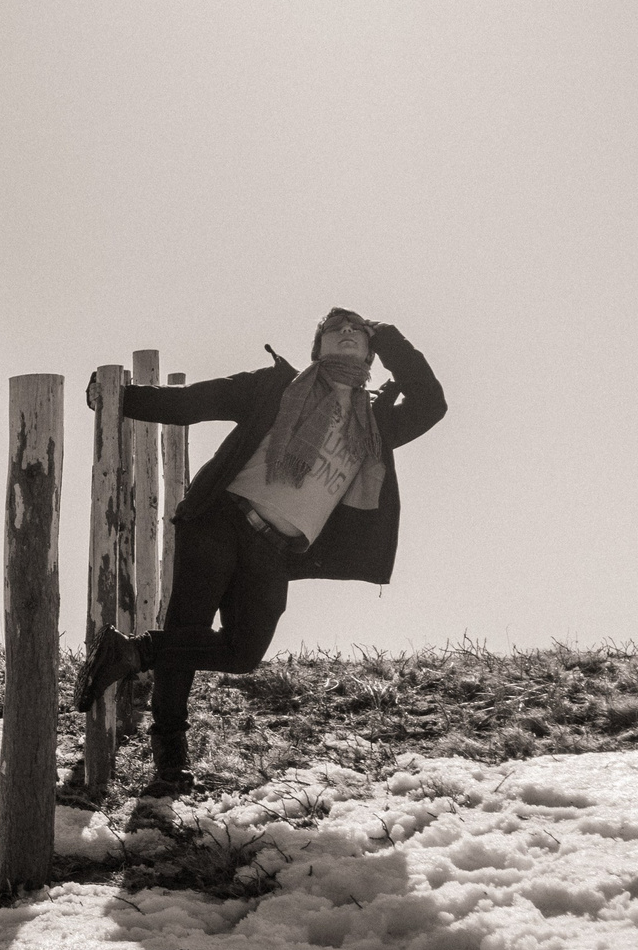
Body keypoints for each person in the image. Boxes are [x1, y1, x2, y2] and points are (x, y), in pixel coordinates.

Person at [76, 308, 448, 799]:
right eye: (337, 328)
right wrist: (116, 398)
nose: (348, 332)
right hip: (222, 519)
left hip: (277, 550)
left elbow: (432, 404)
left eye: (358, 328)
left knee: (243, 653)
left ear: (372, 350)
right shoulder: (276, 387)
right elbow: (194, 402)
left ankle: (132, 651)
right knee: (188, 628)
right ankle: (170, 761)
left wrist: (391, 336)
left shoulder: (376, 422)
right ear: (318, 347)